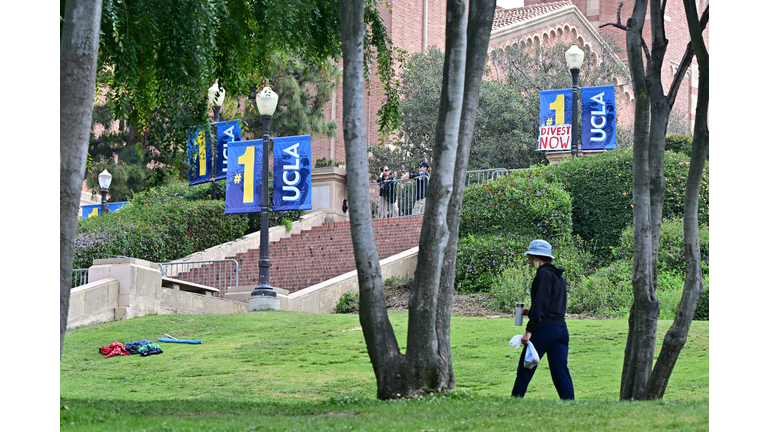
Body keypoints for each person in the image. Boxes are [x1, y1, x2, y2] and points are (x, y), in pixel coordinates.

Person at [512, 239, 575, 400]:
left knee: (526, 366)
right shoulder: (558, 276)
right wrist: (529, 312)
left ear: (536, 257)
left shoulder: (543, 274)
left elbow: (540, 303)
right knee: (560, 370)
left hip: (544, 329)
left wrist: (528, 331)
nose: (529, 261)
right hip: (561, 329)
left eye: (530, 258)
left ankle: (515, 401)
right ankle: (570, 404)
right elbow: (551, 305)